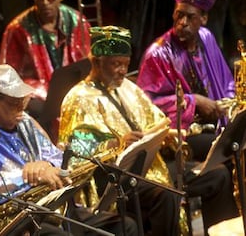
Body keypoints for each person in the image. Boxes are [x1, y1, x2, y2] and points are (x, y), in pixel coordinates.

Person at [58, 25, 239, 235]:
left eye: (125, 64)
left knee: (218, 175)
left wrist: (168, 135)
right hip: (115, 179)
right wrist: (119, 143)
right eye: (116, 64)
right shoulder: (78, 98)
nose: (122, 71)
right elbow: (75, 155)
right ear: (97, 62)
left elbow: (157, 121)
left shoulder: (128, 88)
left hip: (154, 166)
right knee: (167, 194)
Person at [0, 64, 138, 236]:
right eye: (14, 104)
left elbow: (56, 156)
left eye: (22, 102)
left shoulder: (25, 121)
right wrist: (26, 175)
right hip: (17, 215)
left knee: (125, 226)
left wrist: (46, 165)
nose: (21, 109)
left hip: (52, 204)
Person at [137, 0, 235, 162]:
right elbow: (145, 106)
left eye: (190, 17)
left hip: (216, 122)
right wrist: (193, 101)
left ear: (204, 19)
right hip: (182, 133)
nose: (182, 22)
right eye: (179, 15)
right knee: (225, 145)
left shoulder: (206, 38)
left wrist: (227, 106)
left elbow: (227, 83)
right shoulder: (157, 54)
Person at [0, 0, 91, 118]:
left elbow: (87, 63)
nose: (44, 2)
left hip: (74, 90)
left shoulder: (77, 21)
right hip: (37, 95)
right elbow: (8, 75)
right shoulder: (18, 28)